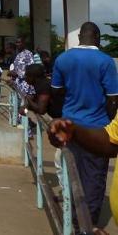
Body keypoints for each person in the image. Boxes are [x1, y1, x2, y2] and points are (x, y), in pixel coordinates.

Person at [49, 22, 118, 230]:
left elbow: (56, 92)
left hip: (69, 127)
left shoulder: (63, 59)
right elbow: (113, 99)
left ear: (79, 37)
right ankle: (88, 226)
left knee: (72, 173)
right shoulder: (106, 62)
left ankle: (71, 220)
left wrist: (64, 114)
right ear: (97, 36)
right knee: (94, 180)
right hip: (99, 130)